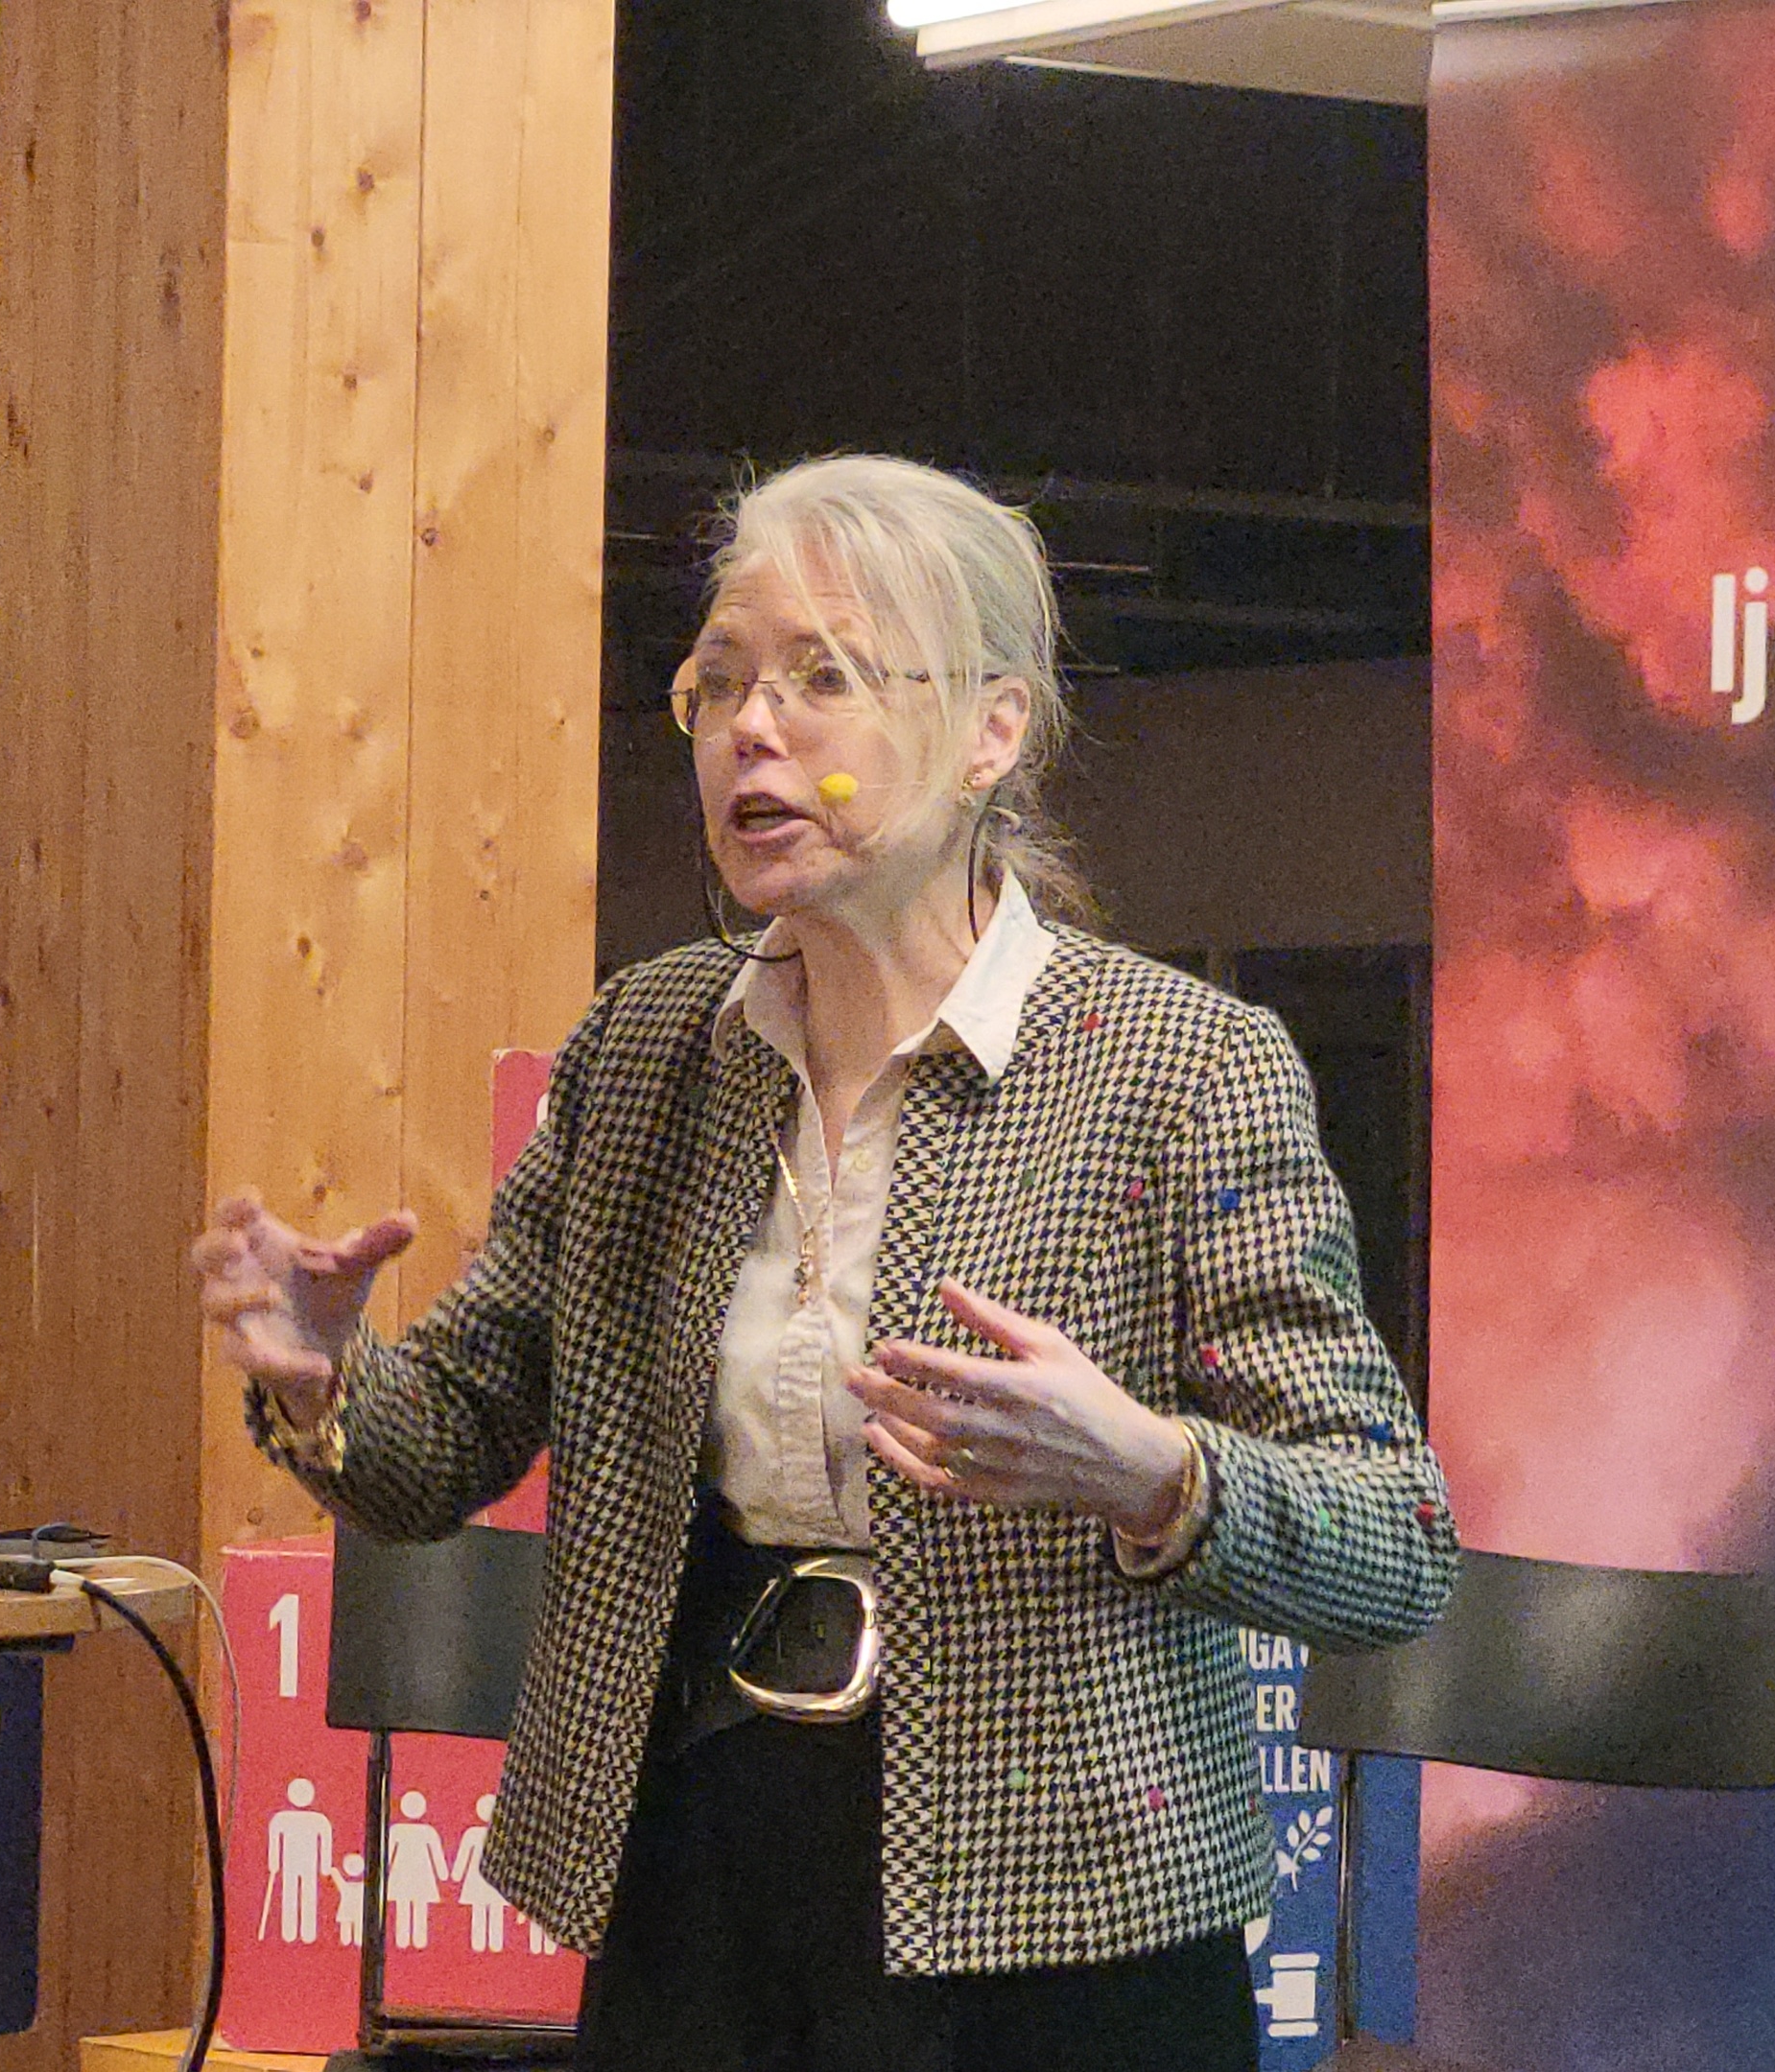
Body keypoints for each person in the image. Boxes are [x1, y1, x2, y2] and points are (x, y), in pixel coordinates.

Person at [192, 453, 1456, 2070]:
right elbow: (437, 1449)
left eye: (822, 676)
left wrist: (1151, 1474)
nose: (751, 728)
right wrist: (323, 1381)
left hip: (1057, 1906)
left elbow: (1392, 1540)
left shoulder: (1178, 1069)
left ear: (991, 732)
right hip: (696, 1857)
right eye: (717, 682)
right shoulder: (647, 1047)